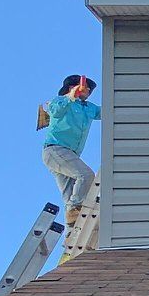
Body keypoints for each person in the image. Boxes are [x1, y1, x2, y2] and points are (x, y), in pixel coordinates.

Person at [39, 76, 99, 226]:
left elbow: (107, 111)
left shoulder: (89, 108)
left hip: (69, 155)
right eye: (86, 88)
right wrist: (71, 96)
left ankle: (71, 232)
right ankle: (74, 209)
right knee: (86, 175)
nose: (89, 91)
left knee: (71, 194)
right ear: (73, 87)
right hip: (55, 150)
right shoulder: (59, 101)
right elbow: (56, 111)